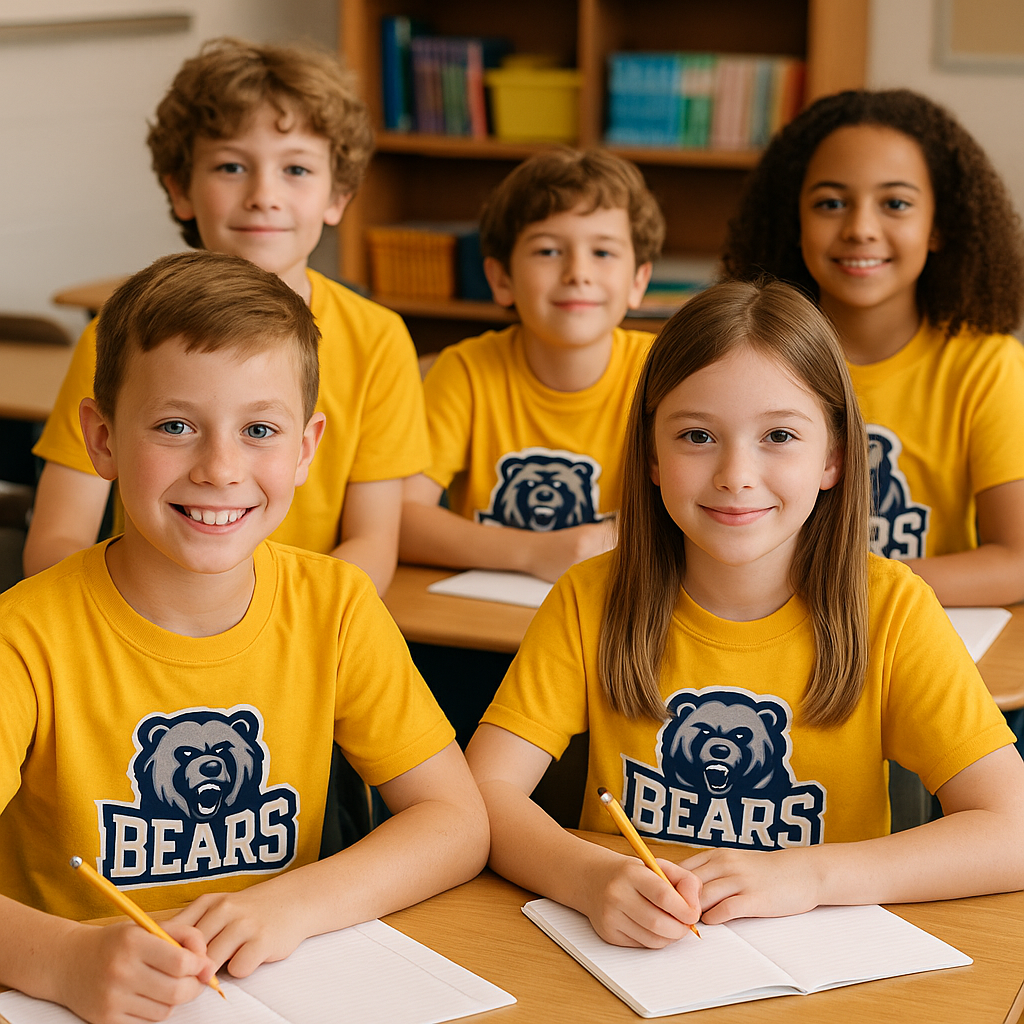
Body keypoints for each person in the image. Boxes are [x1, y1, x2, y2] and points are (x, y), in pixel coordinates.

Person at [0, 252, 488, 1024]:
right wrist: (57, 958)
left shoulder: (335, 606)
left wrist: (290, 904)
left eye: (259, 429)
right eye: (175, 426)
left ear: (305, 449)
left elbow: (456, 823)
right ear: (99, 439)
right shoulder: (23, 638)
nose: (220, 468)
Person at [466, 279, 1024, 950]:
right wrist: (588, 878)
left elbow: (1013, 828)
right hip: (632, 966)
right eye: (697, 435)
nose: (735, 473)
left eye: (779, 435)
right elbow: (478, 798)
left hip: (822, 965)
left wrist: (809, 875)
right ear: (649, 453)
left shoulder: (893, 609)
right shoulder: (591, 598)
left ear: (834, 457)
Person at [24, 37, 428, 595]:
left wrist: (286, 634)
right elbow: (56, 539)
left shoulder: (378, 339)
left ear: (338, 196)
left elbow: (373, 541)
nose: (264, 195)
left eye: (297, 170)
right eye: (232, 166)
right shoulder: (120, 333)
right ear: (180, 189)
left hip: (298, 639)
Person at [722, 88, 1024, 608]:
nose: (860, 229)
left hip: (909, 634)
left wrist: (837, 580)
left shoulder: (987, 368)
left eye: (896, 204)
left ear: (938, 227)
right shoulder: (743, 357)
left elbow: (1017, 560)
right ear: (794, 222)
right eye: (831, 203)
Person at [399, 148, 663, 585]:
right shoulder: (464, 371)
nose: (578, 272)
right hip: (485, 619)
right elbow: (401, 519)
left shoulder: (664, 371)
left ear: (638, 281)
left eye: (603, 252)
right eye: (547, 251)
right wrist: (539, 552)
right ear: (501, 279)